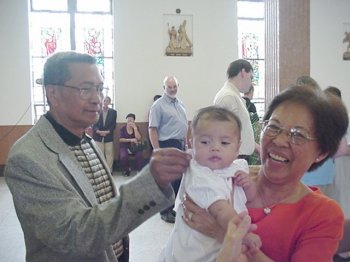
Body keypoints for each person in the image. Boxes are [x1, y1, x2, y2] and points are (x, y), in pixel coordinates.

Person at [4, 51, 190, 262]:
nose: (97, 99)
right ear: (53, 94)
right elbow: (75, 234)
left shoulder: (87, 141)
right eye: (84, 89)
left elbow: (105, 207)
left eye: (99, 89)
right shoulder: (28, 158)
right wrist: (150, 182)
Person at [183, 85, 348, 261]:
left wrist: (226, 236)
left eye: (298, 135)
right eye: (273, 127)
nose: (279, 140)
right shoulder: (225, 176)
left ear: (320, 153)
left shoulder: (321, 213)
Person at [159, 106, 261, 261]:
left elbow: (251, 198)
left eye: (224, 143)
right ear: (192, 144)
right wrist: (244, 235)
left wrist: (248, 185)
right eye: (205, 142)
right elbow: (221, 210)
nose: (215, 148)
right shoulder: (199, 174)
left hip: (220, 241)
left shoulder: (236, 168)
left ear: (237, 148)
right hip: (197, 250)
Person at [149, 75, 188, 223]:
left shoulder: (180, 104)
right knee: (168, 180)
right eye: (169, 87)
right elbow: (152, 129)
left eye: (175, 86)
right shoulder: (158, 105)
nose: (172, 89)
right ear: (164, 88)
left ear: (178, 86)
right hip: (167, 144)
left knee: (178, 180)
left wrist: (186, 144)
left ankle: (174, 208)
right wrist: (157, 151)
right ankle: (165, 211)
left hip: (180, 144)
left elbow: (183, 126)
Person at [214, 59, 258, 160]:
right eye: (250, 77)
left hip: (239, 156)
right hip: (234, 157)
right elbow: (225, 133)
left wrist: (257, 148)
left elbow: (240, 131)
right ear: (242, 72)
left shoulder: (233, 95)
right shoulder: (228, 96)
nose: (251, 82)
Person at [92, 95, 117, 171]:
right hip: (98, 135)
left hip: (108, 135)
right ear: (102, 101)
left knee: (109, 154)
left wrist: (107, 132)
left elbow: (113, 124)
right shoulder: (96, 110)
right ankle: (102, 170)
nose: (105, 102)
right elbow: (94, 123)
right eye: (104, 101)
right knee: (100, 154)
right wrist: (98, 131)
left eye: (107, 101)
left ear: (109, 102)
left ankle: (109, 171)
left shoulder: (113, 112)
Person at [242, 85, 261, 165]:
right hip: (251, 135)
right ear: (251, 92)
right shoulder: (251, 106)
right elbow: (256, 124)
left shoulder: (240, 102)